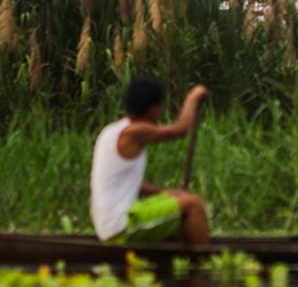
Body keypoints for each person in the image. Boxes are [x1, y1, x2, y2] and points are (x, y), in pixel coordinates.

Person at [90, 76, 211, 245]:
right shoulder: (133, 131)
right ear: (152, 110)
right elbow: (180, 129)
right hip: (121, 227)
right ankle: (204, 265)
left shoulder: (111, 130)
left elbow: (132, 184)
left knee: (182, 198)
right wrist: (193, 97)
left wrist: (166, 193)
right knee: (193, 204)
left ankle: (184, 256)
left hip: (109, 225)